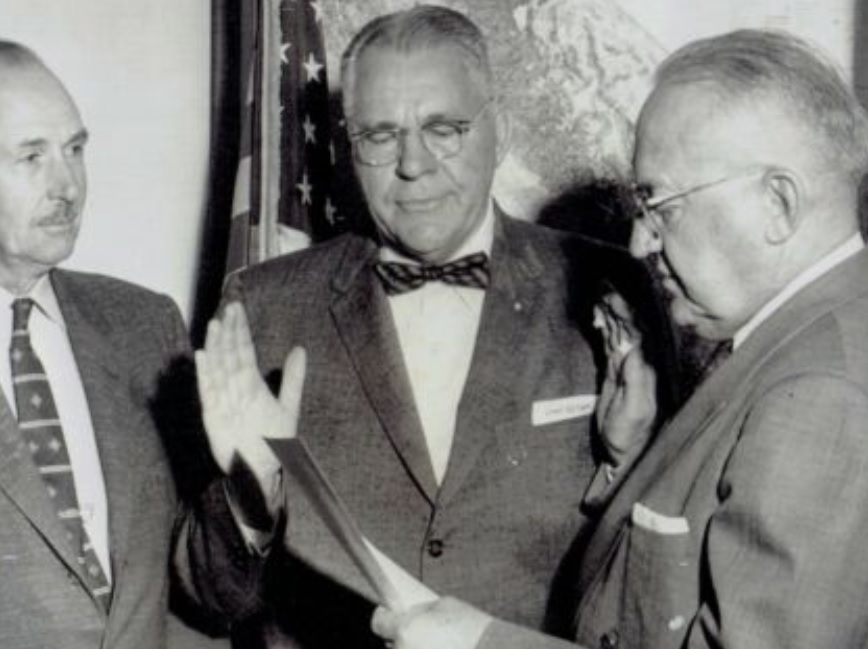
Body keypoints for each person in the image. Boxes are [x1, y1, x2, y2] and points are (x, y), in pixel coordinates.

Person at [176, 5, 664, 649]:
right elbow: (204, 598)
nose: (413, 164)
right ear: (350, 150)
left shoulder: (610, 288)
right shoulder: (266, 303)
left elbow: (658, 583)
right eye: (381, 135)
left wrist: (624, 463)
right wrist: (250, 497)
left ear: (503, 130)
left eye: (444, 128)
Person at [370, 28, 868, 649]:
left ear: (778, 204)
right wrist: (631, 460)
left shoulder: (825, 395)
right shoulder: (802, 340)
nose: (640, 243)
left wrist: (480, 642)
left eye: (661, 205)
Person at [0, 39, 212, 648]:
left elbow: (203, 586)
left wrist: (255, 482)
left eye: (75, 149)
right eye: (31, 157)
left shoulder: (144, 324)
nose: (67, 184)